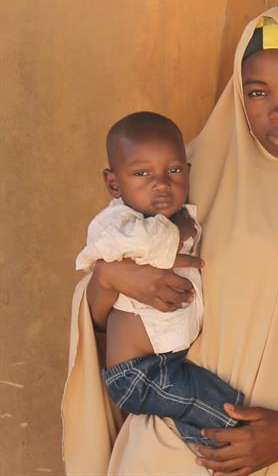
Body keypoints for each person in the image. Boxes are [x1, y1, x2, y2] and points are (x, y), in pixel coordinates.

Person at [62, 7, 278, 475]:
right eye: (257, 92)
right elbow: (103, 320)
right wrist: (110, 278)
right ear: (238, 93)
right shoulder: (179, 181)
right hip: (172, 454)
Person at [75, 111, 244, 446]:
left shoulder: (176, 214)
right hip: (140, 374)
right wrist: (177, 233)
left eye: (175, 170)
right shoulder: (118, 222)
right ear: (113, 183)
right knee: (228, 411)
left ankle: (208, 448)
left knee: (208, 411)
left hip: (166, 364)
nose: (162, 183)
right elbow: (137, 244)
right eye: (141, 173)